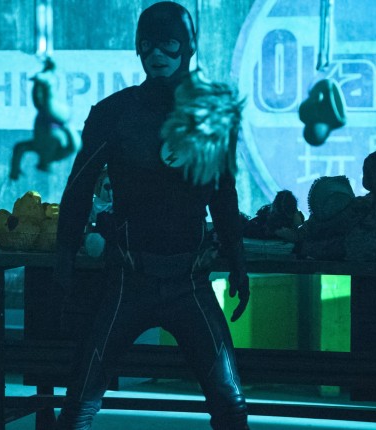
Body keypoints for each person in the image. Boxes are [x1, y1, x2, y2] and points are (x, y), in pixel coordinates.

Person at [53, 2, 251, 429]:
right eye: (147, 44)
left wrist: (237, 257)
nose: (156, 54)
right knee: (79, 403)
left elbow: (223, 192)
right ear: (138, 48)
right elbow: (79, 186)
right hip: (131, 277)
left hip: (187, 280)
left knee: (231, 405)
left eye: (168, 44)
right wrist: (64, 253)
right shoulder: (115, 113)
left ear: (188, 47)